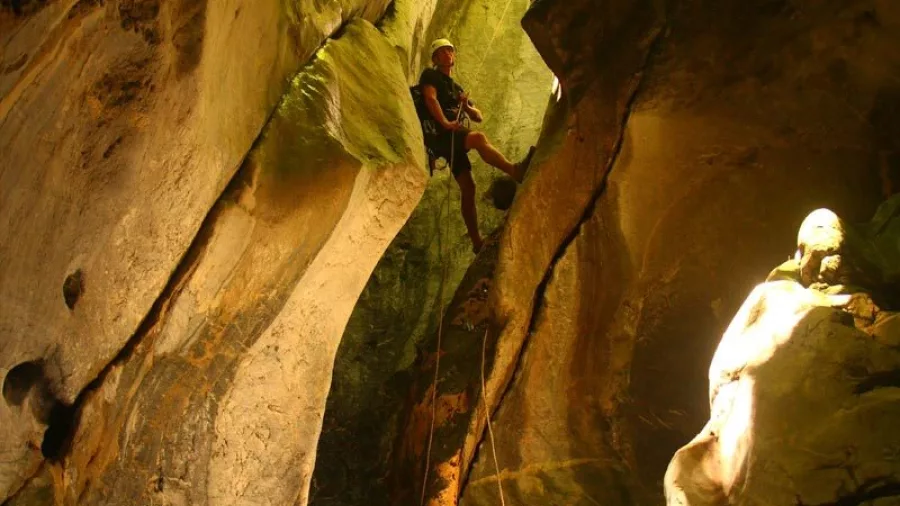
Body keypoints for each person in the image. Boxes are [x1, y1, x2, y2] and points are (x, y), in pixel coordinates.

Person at [419, 38, 536, 253]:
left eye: (450, 51)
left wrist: (467, 107)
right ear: (435, 58)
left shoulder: (456, 88)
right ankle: (515, 171)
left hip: (450, 139)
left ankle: (476, 243)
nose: (447, 54)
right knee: (479, 139)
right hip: (440, 134)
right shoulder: (430, 75)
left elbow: (479, 116)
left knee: (468, 186)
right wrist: (445, 122)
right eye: (442, 51)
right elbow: (430, 98)